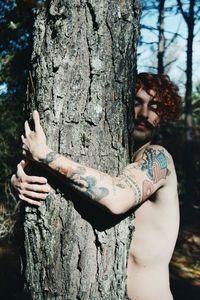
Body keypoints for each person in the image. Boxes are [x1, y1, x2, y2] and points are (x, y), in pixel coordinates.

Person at [11, 73, 182, 300]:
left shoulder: (158, 157)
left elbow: (117, 198)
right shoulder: (123, 163)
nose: (143, 114)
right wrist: (20, 181)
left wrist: (45, 155)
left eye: (155, 106)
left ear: (163, 115)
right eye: (136, 102)